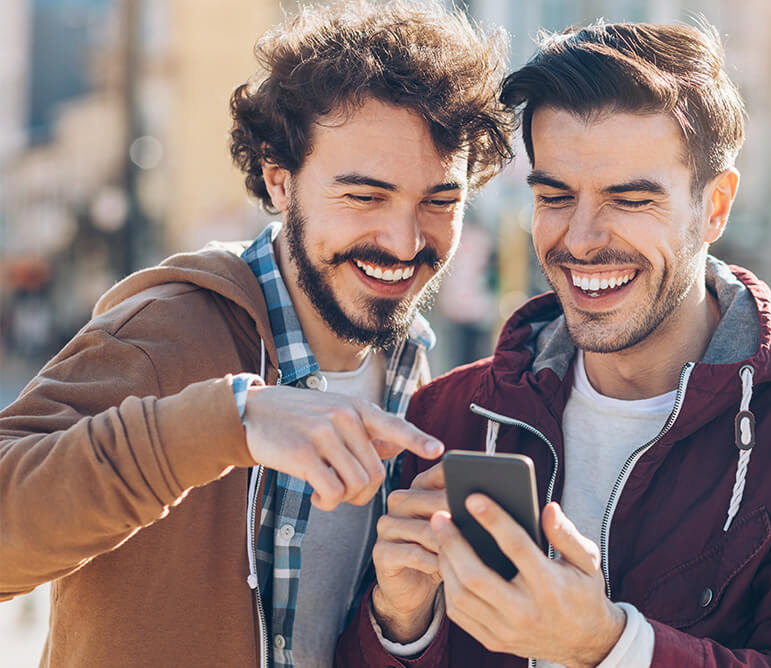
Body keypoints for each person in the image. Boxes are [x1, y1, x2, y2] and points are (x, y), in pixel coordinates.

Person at [338, 19, 771, 668]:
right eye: (556, 196)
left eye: (630, 200)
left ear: (715, 206)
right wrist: (399, 623)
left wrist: (607, 646)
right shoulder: (447, 416)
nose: (584, 239)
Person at [0, 2, 511, 666]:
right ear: (279, 179)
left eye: (440, 201)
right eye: (364, 196)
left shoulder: (420, 378)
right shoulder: (167, 330)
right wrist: (229, 422)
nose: (404, 241)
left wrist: (403, 620)